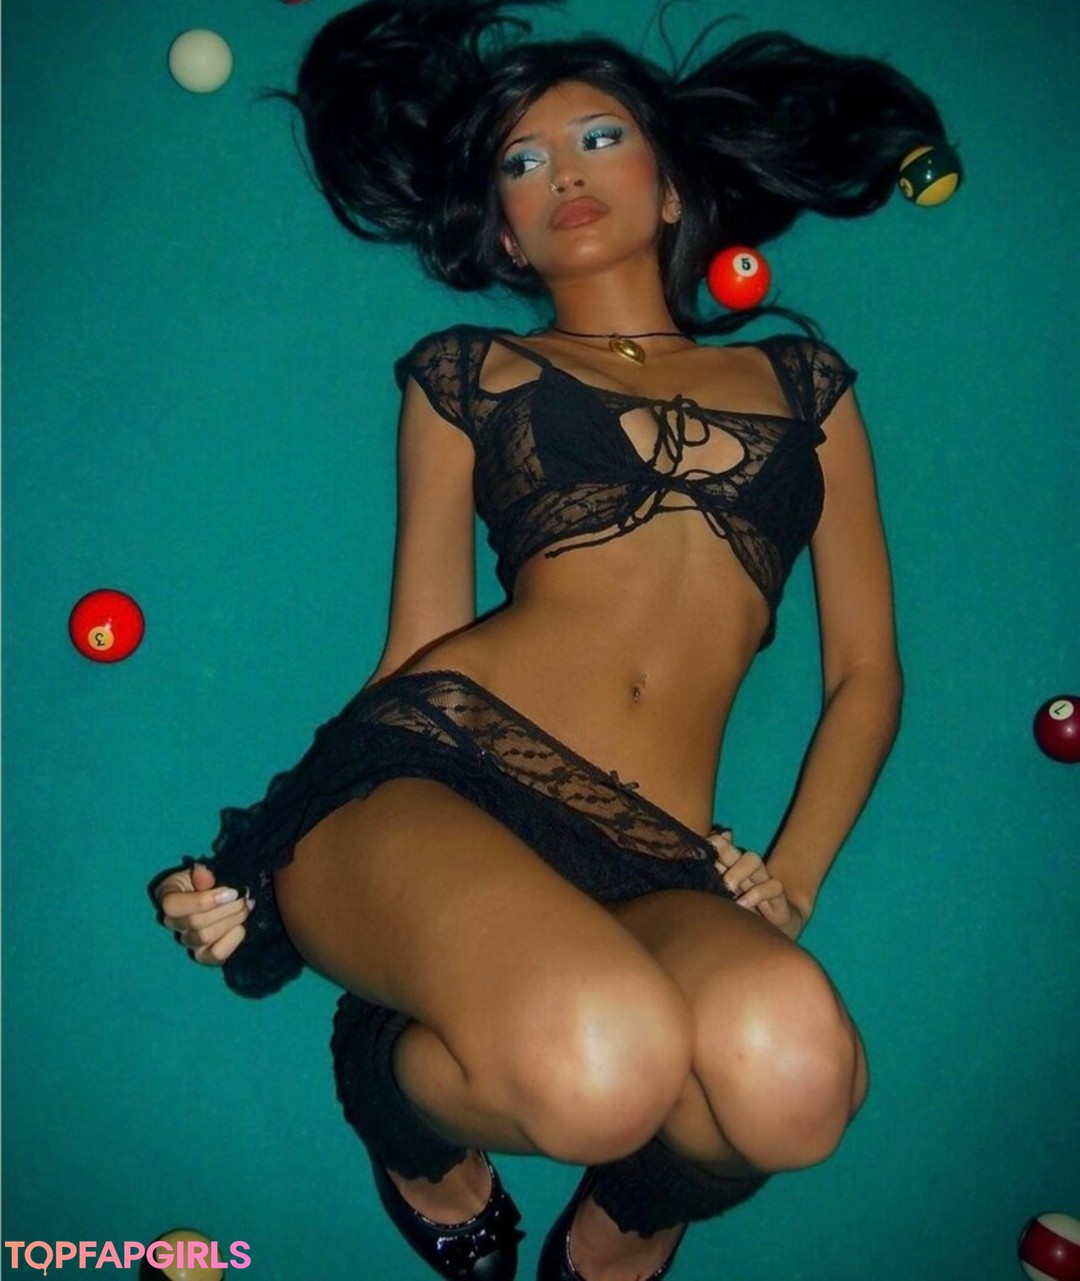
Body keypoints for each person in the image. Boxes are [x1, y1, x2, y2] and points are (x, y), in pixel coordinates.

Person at [153, 2, 954, 1277]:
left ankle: (631, 1208)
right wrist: (254, 867)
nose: (565, 172)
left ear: (672, 185)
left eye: (599, 137)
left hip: (656, 852)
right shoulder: (469, 371)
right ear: (506, 229)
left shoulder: (804, 385)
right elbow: (415, 651)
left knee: (798, 1078)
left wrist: (792, 883)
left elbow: (866, 675)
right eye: (522, 162)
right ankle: (407, 1117)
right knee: (605, 1065)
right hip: (440, 778)